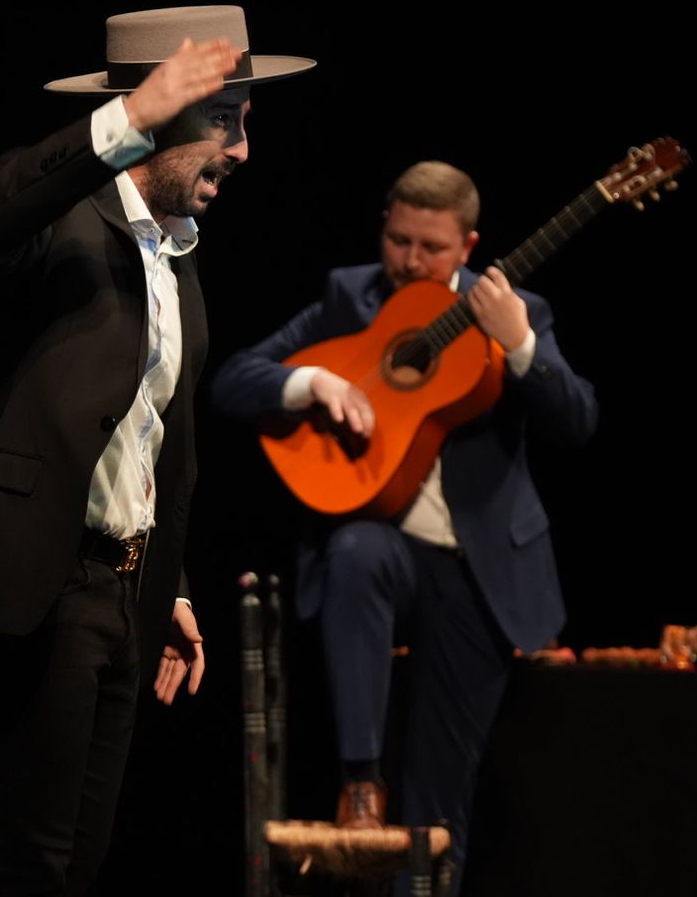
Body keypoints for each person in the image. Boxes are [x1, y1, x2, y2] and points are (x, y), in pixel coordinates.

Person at [0, 5, 315, 893]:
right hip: (31, 587)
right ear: (156, 108)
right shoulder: (59, 220)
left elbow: (156, 430)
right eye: (225, 119)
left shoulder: (175, 252)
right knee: (25, 866)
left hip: (120, 591)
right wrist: (124, 123)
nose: (242, 150)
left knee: (82, 861)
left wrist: (164, 576)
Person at [211, 160, 598, 884]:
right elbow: (233, 379)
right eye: (398, 241)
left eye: (432, 248)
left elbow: (577, 421)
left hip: (481, 573)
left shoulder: (521, 311)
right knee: (355, 548)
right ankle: (360, 780)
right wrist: (313, 381)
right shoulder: (349, 297)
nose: (411, 262)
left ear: (469, 246)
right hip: (386, 554)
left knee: (438, 805)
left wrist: (518, 347)